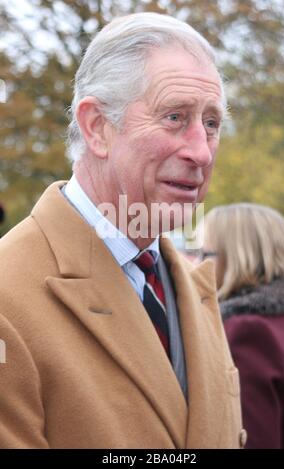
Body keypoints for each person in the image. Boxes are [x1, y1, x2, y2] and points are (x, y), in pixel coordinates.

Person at [0, 13, 244, 449]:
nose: (202, 152)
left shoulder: (191, 284)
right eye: (174, 116)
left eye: (211, 123)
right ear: (97, 127)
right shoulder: (9, 295)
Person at [202, 203, 284, 448]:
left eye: (206, 254)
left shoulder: (247, 331)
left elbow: (251, 438)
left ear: (237, 258)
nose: (197, 265)